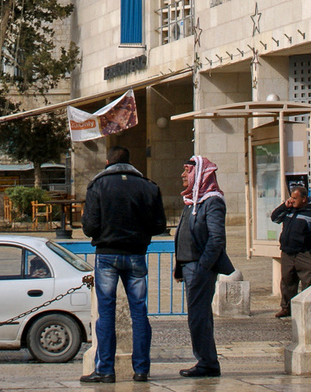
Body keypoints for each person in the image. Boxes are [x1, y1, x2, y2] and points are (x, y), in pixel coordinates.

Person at [80, 145, 166, 384]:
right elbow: (160, 225)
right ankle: (141, 369)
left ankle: (105, 369)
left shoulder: (97, 185)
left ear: (108, 161)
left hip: (107, 255)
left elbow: (89, 228)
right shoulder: (148, 186)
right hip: (136, 254)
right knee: (139, 311)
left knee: (105, 313)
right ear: (130, 162)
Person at [175, 156, 233, 378]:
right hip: (190, 266)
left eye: (186, 171)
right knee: (197, 315)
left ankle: (207, 362)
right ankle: (206, 360)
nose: (182, 175)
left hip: (200, 268)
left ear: (199, 174)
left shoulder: (213, 202)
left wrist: (202, 267)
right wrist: (180, 266)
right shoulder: (192, 202)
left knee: (198, 316)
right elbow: (185, 234)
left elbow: (216, 239)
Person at [270, 183, 311, 318]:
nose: (292, 200)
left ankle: (306, 309)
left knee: (307, 283)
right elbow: (274, 218)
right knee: (287, 282)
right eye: (291, 197)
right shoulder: (289, 210)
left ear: (304, 199)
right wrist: (285, 205)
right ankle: (286, 308)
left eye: (295, 198)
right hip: (288, 252)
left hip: (305, 253)